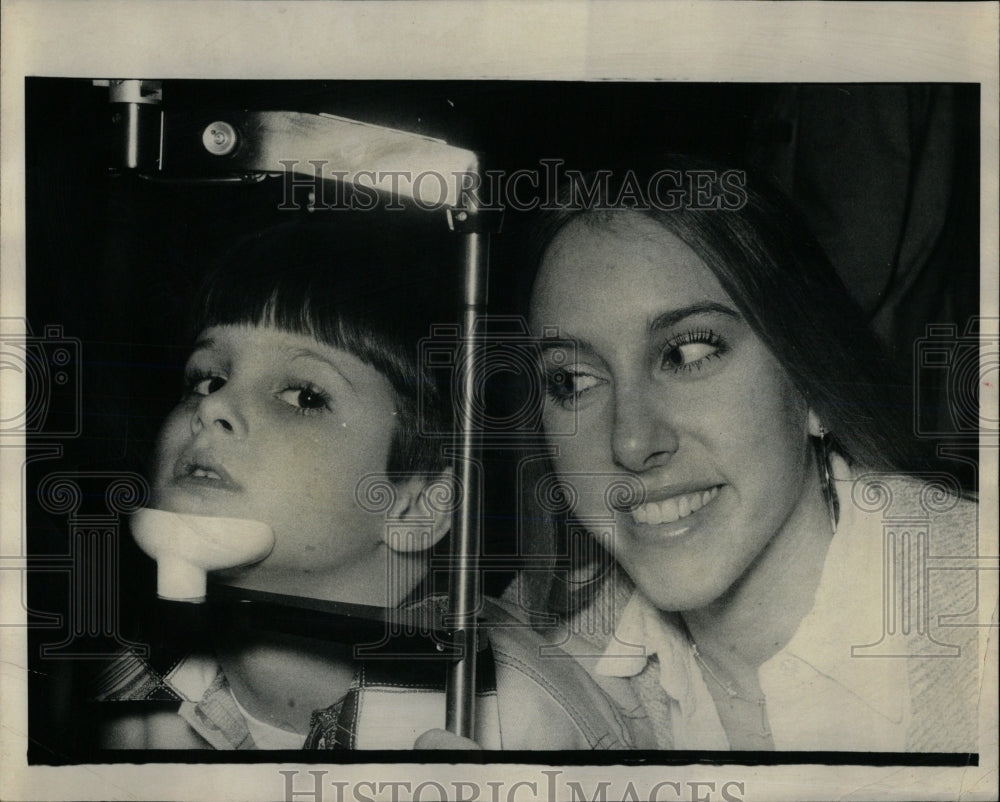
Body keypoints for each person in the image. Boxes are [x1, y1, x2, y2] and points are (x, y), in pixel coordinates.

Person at [94, 216, 635, 751]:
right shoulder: (119, 680)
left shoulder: (523, 728)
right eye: (207, 377)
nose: (212, 406)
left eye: (303, 396)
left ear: (417, 506)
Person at [515, 157, 981, 752]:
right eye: (573, 382)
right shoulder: (539, 660)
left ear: (814, 386)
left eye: (687, 354)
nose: (630, 442)